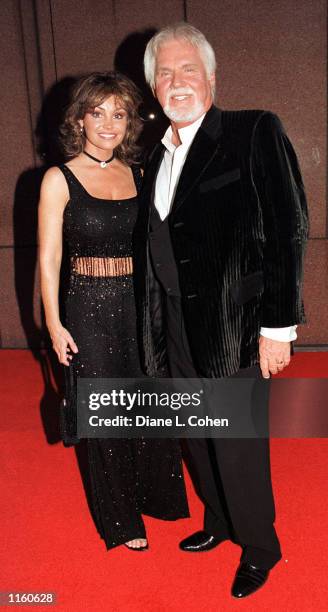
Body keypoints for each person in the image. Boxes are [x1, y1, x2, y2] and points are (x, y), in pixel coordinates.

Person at [133, 23, 308, 596]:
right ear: (153, 86)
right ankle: (218, 520)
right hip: (175, 323)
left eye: (188, 70)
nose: (176, 82)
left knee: (236, 442)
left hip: (236, 323)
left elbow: (287, 229)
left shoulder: (253, 129)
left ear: (211, 76)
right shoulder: (151, 157)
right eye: (165, 72)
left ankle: (260, 545)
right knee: (196, 432)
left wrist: (278, 325)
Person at [38, 71, 189, 552]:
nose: (108, 123)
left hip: (140, 306)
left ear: (128, 124)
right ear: (79, 120)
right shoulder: (58, 179)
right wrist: (54, 323)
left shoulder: (141, 174)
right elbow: (48, 258)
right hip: (87, 308)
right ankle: (121, 521)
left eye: (118, 114)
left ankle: (157, 497)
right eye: (97, 113)